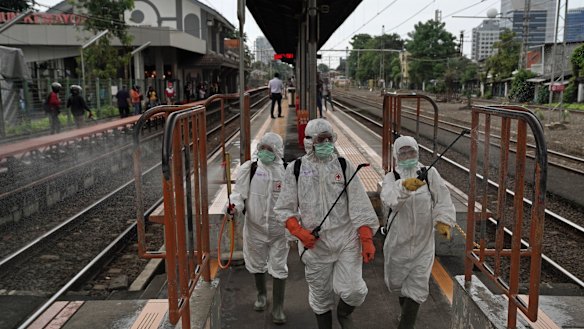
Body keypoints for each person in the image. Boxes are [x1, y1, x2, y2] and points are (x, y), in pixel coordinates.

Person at [274, 119, 379, 329]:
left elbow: (359, 204)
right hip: (316, 245)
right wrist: (299, 232)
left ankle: (344, 314)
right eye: (321, 139)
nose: (327, 143)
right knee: (321, 298)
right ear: (310, 142)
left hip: (346, 240)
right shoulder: (296, 169)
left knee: (354, 290)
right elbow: (284, 208)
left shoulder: (343, 165)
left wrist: (366, 238)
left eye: (330, 139)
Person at [380, 136, 455, 329]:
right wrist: (404, 187)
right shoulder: (391, 178)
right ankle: (405, 312)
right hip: (398, 243)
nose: (407, 156)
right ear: (397, 155)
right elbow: (390, 200)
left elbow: (443, 199)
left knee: (417, 288)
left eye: (411, 152)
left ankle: (406, 324)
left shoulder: (430, 174)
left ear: (417, 151)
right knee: (399, 284)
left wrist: (443, 221)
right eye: (403, 153)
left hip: (423, 243)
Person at [225, 132, 289, 324]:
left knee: (279, 267)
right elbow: (239, 194)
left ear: (278, 151)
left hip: (279, 231)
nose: (265, 152)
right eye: (262, 148)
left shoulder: (286, 171)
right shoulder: (250, 169)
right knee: (256, 262)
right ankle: (261, 295)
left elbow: (294, 200)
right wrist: (234, 207)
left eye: (269, 149)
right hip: (255, 228)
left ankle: (278, 307)